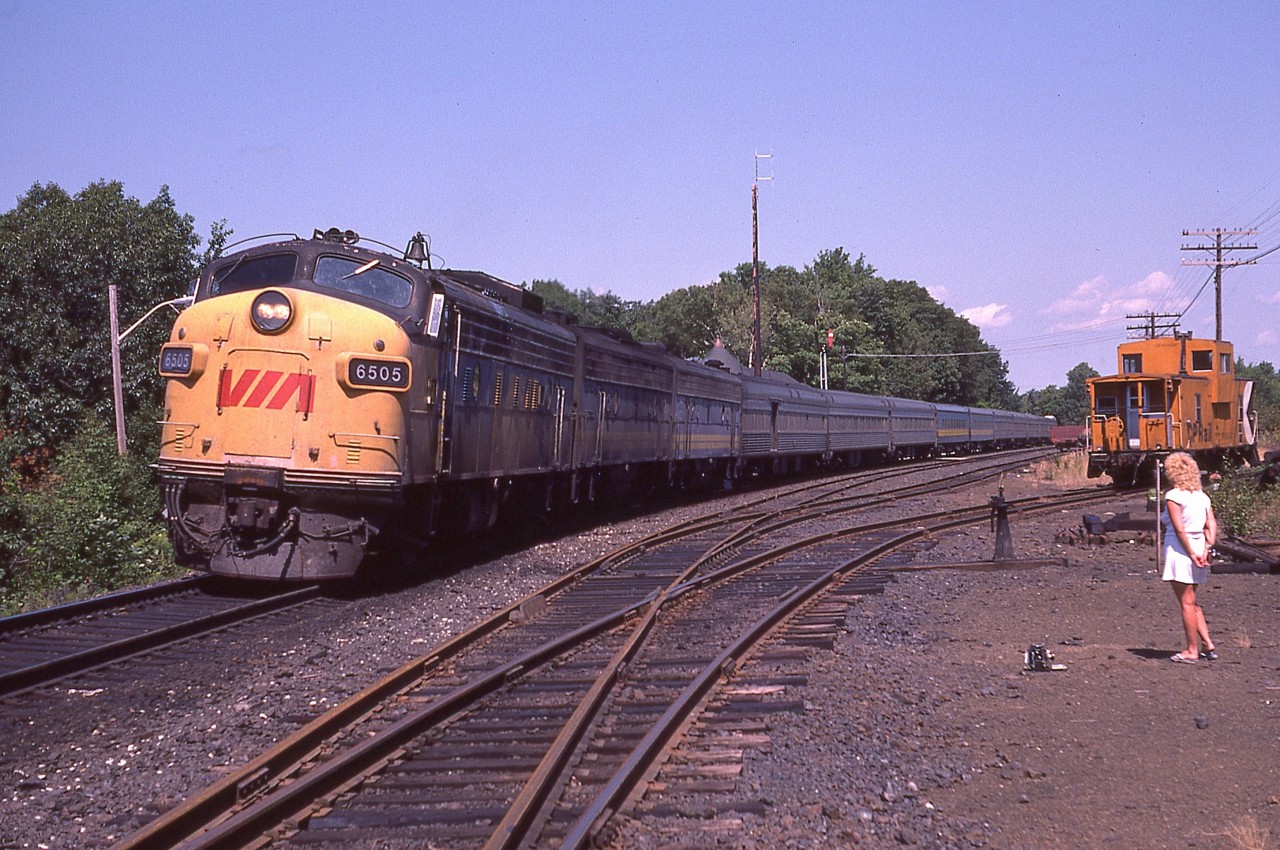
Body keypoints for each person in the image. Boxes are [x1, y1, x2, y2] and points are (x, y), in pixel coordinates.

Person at [1161, 452, 1218, 664]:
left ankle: (1191, 650)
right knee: (1192, 600)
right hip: (1200, 546)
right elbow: (1211, 524)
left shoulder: (1173, 496)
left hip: (1181, 549)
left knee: (1186, 601)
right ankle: (1208, 644)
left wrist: (1192, 554)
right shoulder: (1202, 497)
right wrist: (1206, 549)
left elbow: (1179, 529)